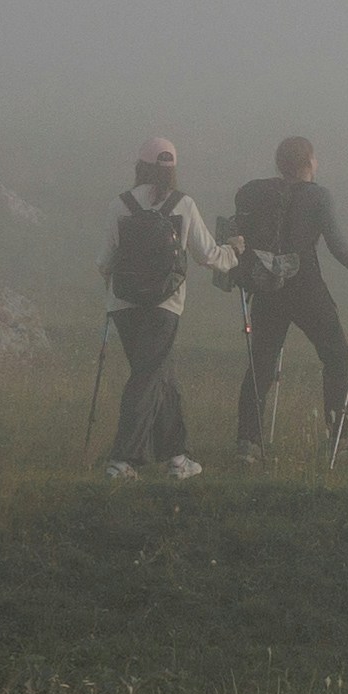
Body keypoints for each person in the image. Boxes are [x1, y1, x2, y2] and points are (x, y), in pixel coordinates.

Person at [227, 135, 348, 458]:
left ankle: (248, 442)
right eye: (315, 158)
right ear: (307, 162)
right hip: (306, 286)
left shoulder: (256, 192)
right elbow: (336, 245)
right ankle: (339, 437)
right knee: (336, 353)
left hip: (267, 285)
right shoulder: (319, 196)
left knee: (262, 360)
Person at [100, 138, 229, 478]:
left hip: (124, 305)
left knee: (160, 377)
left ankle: (177, 457)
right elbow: (209, 256)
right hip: (164, 305)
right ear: (173, 170)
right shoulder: (182, 204)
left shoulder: (120, 204)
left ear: (139, 166)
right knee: (147, 377)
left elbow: (104, 261)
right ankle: (122, 460)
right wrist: (237, 252)